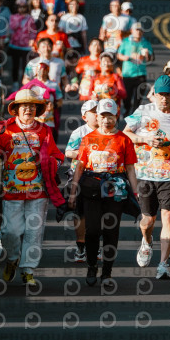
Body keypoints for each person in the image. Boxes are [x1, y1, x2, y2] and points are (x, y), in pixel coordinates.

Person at [0, 89, 64, 286]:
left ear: (37, 109)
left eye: (32, 106)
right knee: (11, 232)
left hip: (38, 190)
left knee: (34, 231)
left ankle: (28, 270)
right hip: (12, 190)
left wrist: (51, 164)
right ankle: (12, 259)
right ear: (16, 109)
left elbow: (56, 155)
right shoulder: (5, 128)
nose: (28, 110)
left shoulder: (44, 130)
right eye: (24, 106)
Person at [124, 75, 170, 280]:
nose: (164, 98)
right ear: (154, 95)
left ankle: (163, 264)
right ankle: (147, 241)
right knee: (147, 221)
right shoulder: (143, 111)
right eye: (160, 95)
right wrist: (145, 139)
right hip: (146, 174)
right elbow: (125, 134)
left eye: (167, 95)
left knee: (168, 216)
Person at [69, 99, 139, 286]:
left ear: (116, 116)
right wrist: (73, 192)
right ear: (97, 117)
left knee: (111, 231)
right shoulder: (88, 138)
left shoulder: (124, 139)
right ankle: (92, 265)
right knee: (92, 230)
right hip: (91, 188)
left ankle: (107, 273)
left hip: (115, 190)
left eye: (111, 116)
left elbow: (130, 169)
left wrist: (136, 192)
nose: (107, 120)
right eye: (103, 116)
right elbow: (80, 167)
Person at [65, 100, 99, 262]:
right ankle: (81, 247)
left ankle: (96, 247)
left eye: (99, 111)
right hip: (81, 174)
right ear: (85, 117)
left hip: (102, 175)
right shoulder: (79, 132)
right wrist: (86, 154)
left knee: (101, 213)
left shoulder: (108, 131)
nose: (98, 115)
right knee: (81, 213)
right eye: (94, 112)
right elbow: (68, 152)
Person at [117, 22, 154, 116]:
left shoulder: (145, 43)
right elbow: (119, 55)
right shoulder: (126, 42)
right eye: (136, 30)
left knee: (138, 98)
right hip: (128, 74)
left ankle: (134, 115)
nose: (138, 32)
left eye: (140, 30)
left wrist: (147, 54)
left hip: (141, 74)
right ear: (131, 31)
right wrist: (128, 58)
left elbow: (150, 58)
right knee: (127, 97)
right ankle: (127, 109)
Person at [9, 0, 37, 91]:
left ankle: (25, 83)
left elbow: (33, 31)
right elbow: (12, 27)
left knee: (26, 66)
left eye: (24, 7)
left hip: (26, 46)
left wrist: (32, 40)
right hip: (15, 45)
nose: (21, 9)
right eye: (19, 7)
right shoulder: (13, 17)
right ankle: (15, 82)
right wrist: (20, 18)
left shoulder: (30, 18)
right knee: (15, 65)